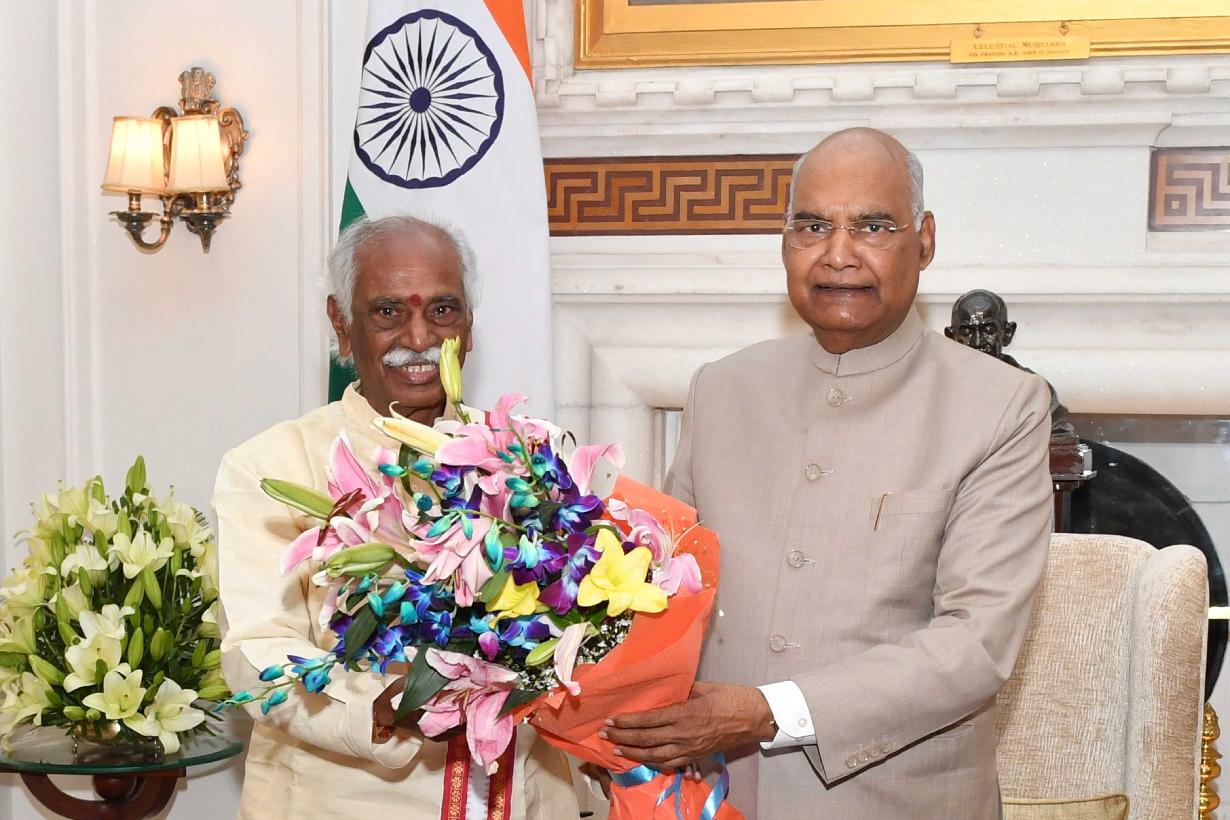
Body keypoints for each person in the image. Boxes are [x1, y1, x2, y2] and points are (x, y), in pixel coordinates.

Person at [602, 129, 1054, 818]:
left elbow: (976, 643)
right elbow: (660, 589)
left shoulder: (1000, 405)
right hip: (715, 795)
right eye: (813, 226)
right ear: (785, 243)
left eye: (873, 226)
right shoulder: (722, 388)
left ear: (925, 241)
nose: (839, 254)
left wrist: (765, 712)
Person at [213, 215, 577, 819]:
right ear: (341, 325)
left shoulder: (534, 454)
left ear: (469, 326)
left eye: (442, 310)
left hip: (524, 797)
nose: (420, 336)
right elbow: (256, 650)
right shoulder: (272, 465)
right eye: (387, 312)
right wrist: (377, 707)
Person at [945, 289, 1074, 437]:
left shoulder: (1033, 391)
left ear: (1007, 333)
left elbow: (1060, 439)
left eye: (988, 330)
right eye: (967, 332)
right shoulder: (936, 386)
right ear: (951, 337)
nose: (977, 341)